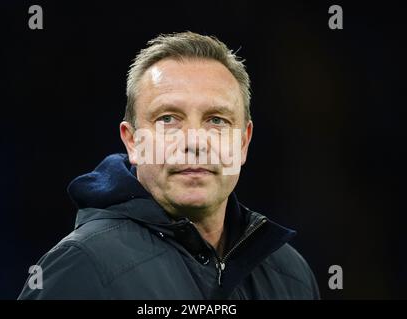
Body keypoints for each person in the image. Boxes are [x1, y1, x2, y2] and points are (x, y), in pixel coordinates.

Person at [18, 31, 319, 299]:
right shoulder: (82, 267)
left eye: (217, 120)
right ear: (132, 141)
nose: (195, 142)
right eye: (168, 119)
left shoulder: (291, 274)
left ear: (243, 142)